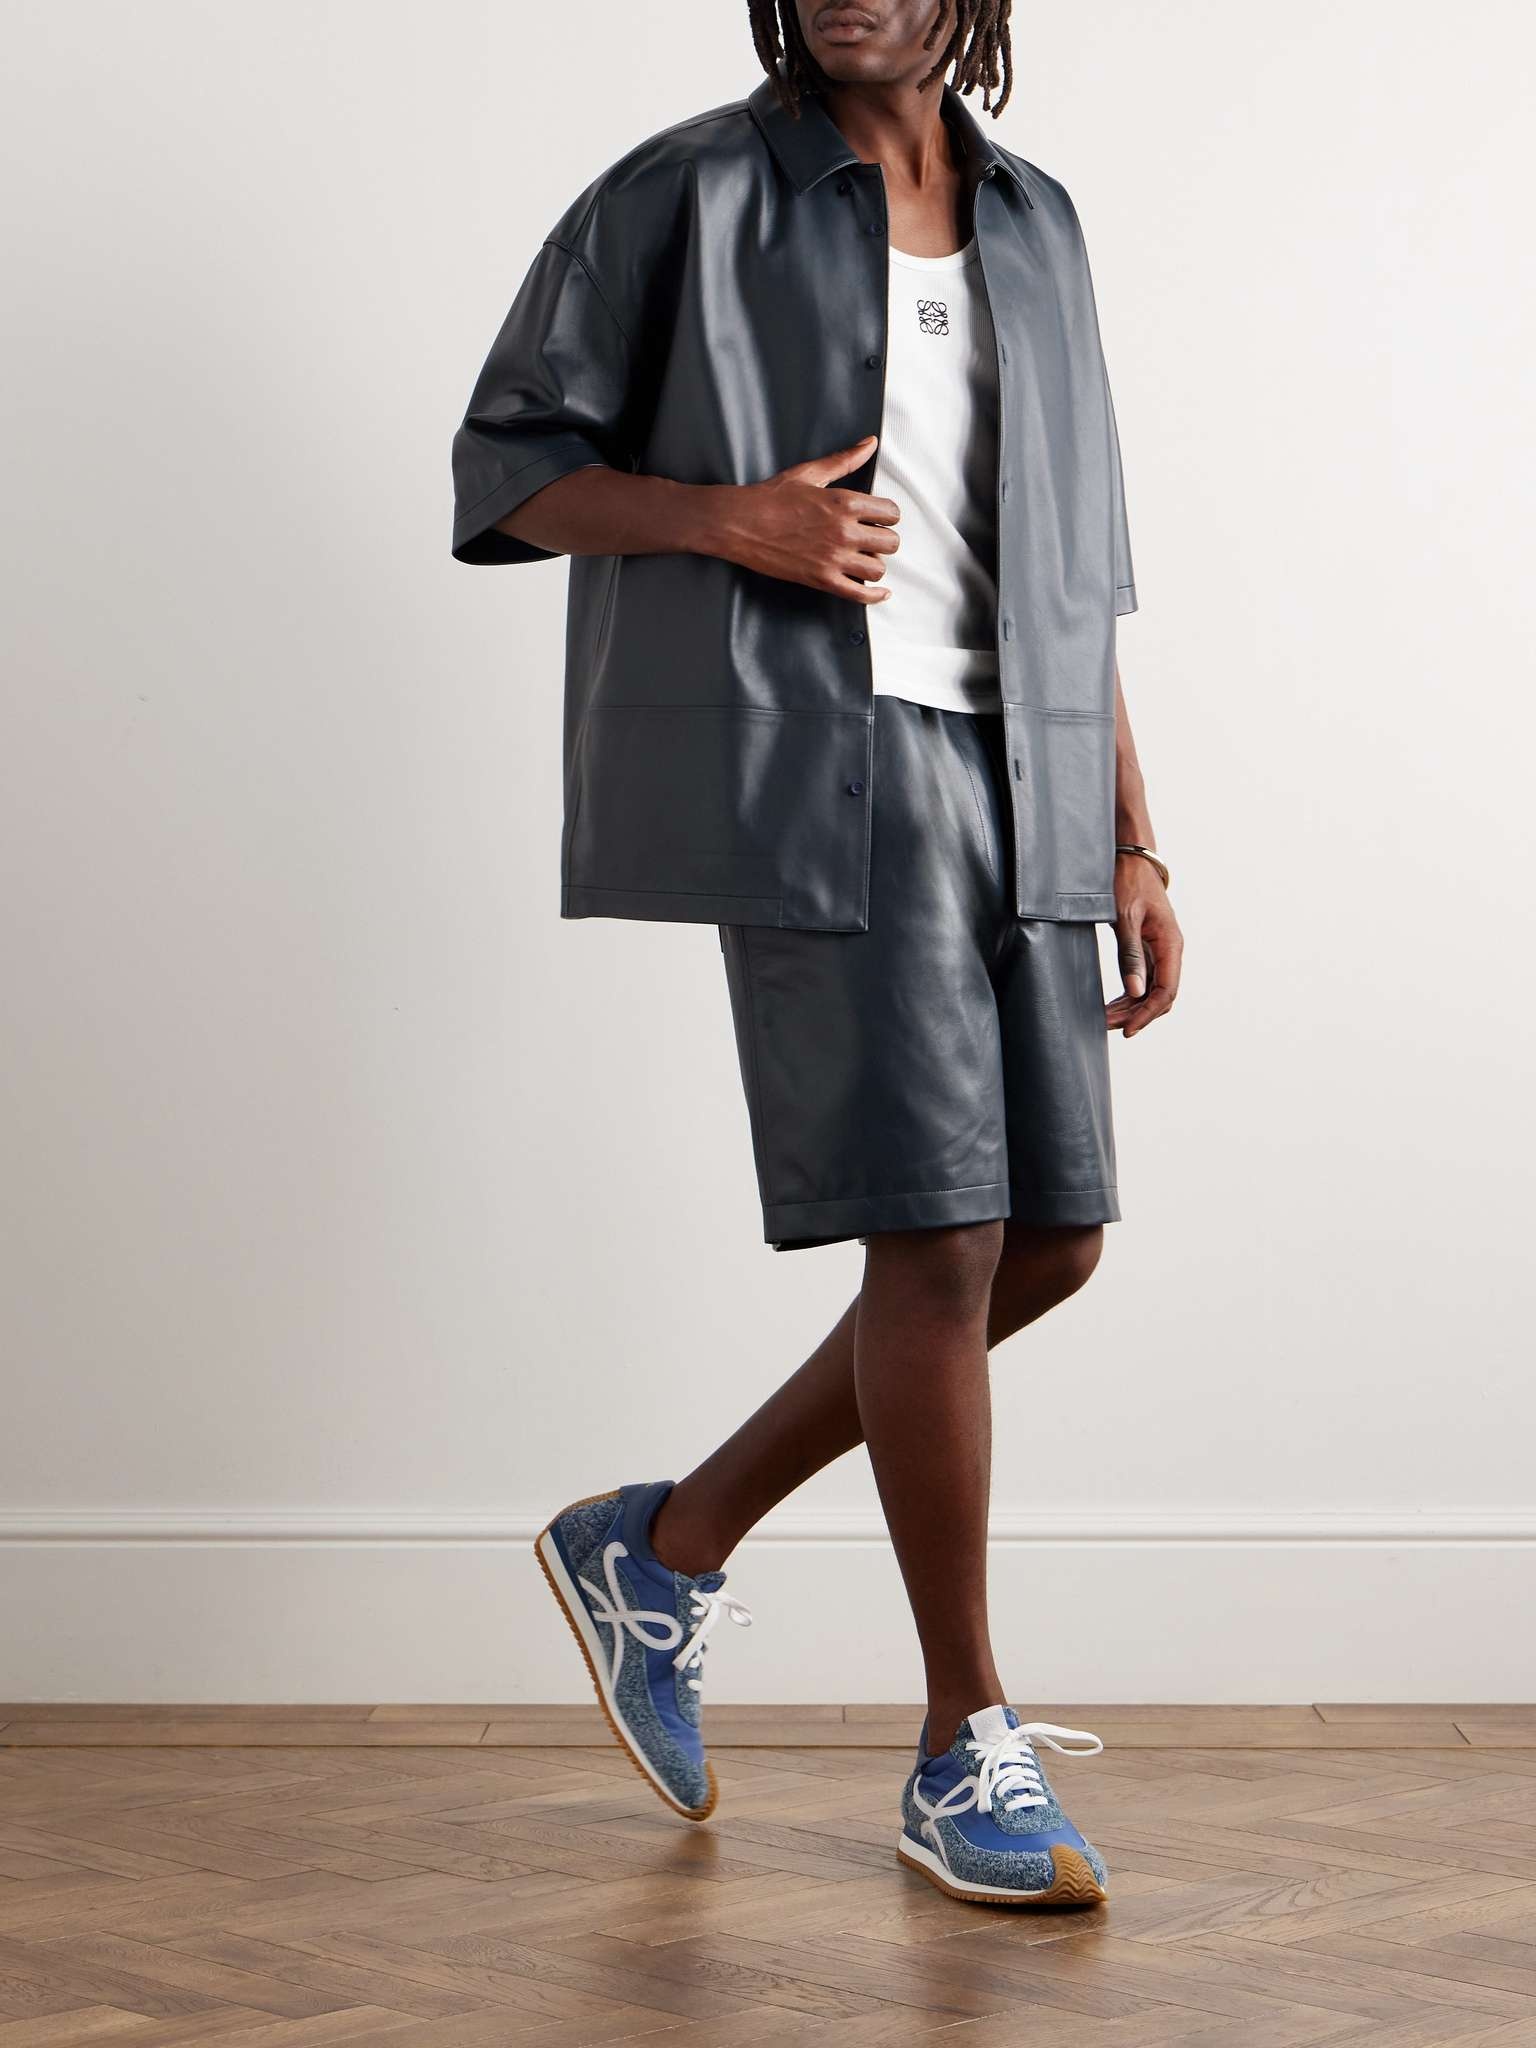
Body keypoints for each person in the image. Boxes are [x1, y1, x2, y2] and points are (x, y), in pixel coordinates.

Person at [452, 0, 1182, 1909]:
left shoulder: (1036, 219)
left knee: (1054, 1238)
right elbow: (506, 465)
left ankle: (664, 1546)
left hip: (1025, 763)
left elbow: (1077, 563)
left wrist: (1130, 826)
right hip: (817, 768)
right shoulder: (687, 191)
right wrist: (735, 522)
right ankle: (962, 1742)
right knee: (935, 1240)